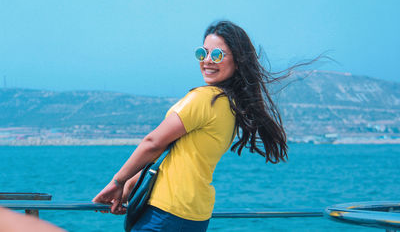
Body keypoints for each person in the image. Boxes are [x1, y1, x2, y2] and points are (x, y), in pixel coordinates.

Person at [93, 20, 288, 231]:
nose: (207, 61)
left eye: (217, 55)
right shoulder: (231, 107)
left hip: (165, 212)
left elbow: (153, 143)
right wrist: (131, 184)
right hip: (195, 216)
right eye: (202, 53)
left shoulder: (204, 98)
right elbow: (178, 155)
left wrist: (117, 183)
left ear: (238, 61)